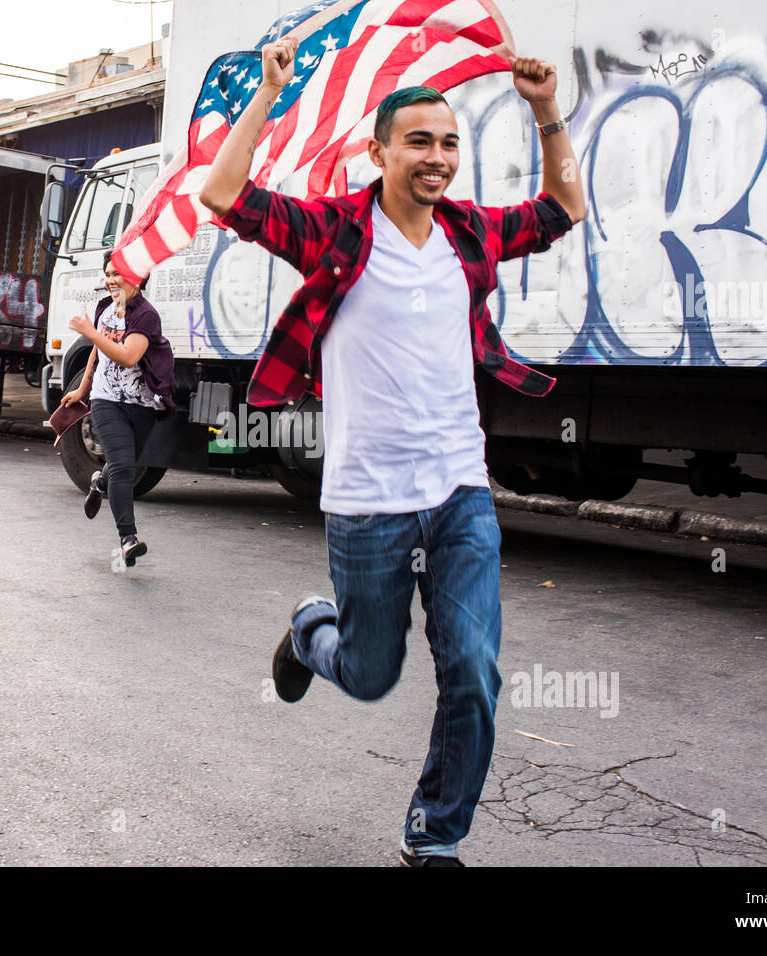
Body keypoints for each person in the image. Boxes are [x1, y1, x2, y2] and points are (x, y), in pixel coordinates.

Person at [199, 40, 586, 865]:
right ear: (378, 153)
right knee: (371, 675)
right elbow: (223, 192)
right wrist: (268, 95)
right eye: (418, 141)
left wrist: (546, 110)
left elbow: (562, 210)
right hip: (368, 496)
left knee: (475, 672)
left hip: (458, 490)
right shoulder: (334, 228)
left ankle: (434, 833)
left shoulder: (469, 234)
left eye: (448, 143)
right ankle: (310, 630)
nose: (437, 158)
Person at [59, 252, 175, 566]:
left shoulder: (146, 316)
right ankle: (128, 539)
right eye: (108, 274)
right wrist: (82, 390)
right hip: (106, 401)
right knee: (124, 466)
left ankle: (99, 482)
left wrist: (91, 332)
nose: (110, 280)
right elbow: (97, 353)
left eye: (117, 274)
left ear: (137, 278)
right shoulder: (106, 310)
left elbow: (128, 356)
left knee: (124, 462)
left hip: (141, 404)